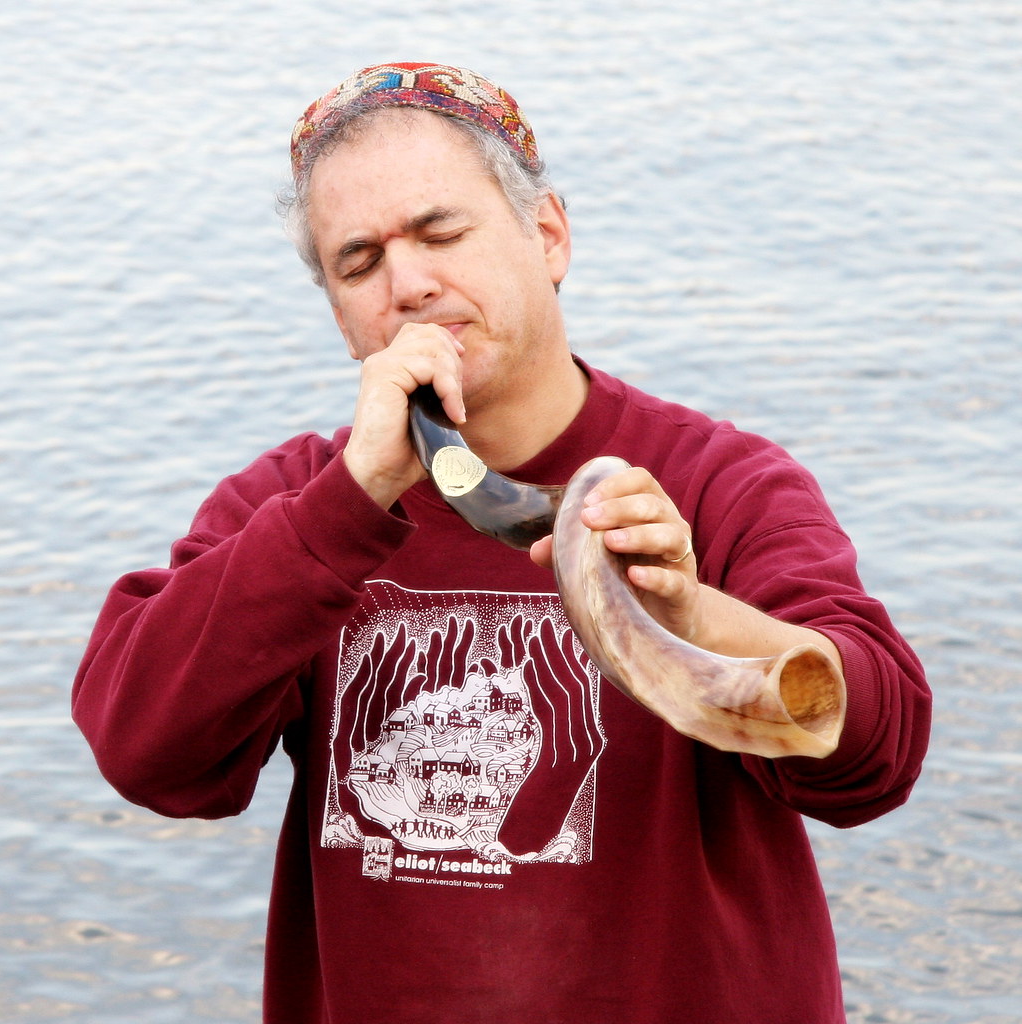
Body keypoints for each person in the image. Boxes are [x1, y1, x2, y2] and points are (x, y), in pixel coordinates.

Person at [72, 62, 931, 1024]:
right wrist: (352, 501)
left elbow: (875, 759)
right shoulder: (296, 506)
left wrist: (688, 611)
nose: (408, 284)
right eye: (359, 263)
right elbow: (147, 755)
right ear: (342, 317)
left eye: (441, 234)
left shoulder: (720, 483)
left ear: (547, 235)